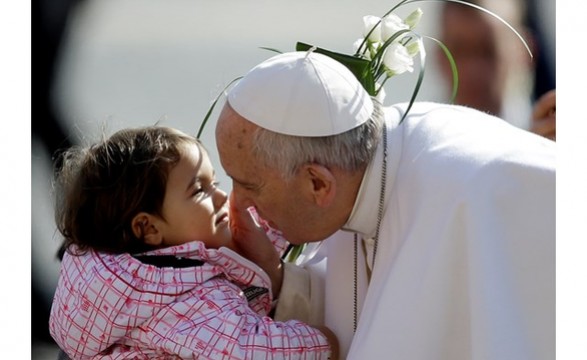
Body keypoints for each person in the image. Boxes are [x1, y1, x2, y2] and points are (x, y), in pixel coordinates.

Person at [214, 51, 555, 359]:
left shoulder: (470, 196)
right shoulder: (373, 162)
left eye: (249, 186)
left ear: (318, 183)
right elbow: (362, 308)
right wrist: (275, 278)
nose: (238, 203)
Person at [49, 126, 338, 359]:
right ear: (148, 227)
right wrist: (324, 344)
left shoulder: (117, 279)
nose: (222, 197)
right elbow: (247, 348)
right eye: (200, 190)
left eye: (215, 182)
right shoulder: (181, 297)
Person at [436, 0, 556, 140]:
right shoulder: (414, 148)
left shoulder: (552, 140)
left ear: (524, 52)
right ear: (438, 56)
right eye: (458, 50)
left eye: (487, 51)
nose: (472, 70)